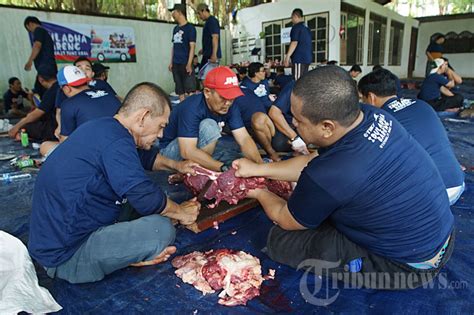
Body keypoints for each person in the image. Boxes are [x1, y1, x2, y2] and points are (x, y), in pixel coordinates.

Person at [233, 66, 454, 289]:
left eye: (298, 120)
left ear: (327, 127)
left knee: (280, 240)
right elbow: (311, 161)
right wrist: (257, 170)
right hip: (442, 235)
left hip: (407, 265)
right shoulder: (373, 116)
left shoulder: (331, 173)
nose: (292, 123)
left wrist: (258, 191)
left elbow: (284, 217)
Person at [28, 82, 201, 284]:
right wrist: (181, 212)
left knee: (157, 206)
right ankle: (128, 256)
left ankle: (127, 251)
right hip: (65, 256)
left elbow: (145, 158)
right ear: (143, 117)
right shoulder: (117, 141)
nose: (161, 134)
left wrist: (177, 166)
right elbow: (144, 197)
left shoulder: (103, 127)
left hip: (55, 237)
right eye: (161, 126)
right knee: (161, 229)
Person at [358, 69, 465, 205]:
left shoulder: (380, 119)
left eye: (363, 99)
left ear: (371, 98)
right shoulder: (421, 105)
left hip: (432, 197)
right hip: (457, 183)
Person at [159, 66, 263, 172]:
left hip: (197, 146)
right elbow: (187, 151)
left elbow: (244, 138)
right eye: (223, 97)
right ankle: (200, 172)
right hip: (169, 154)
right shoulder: (192, 107)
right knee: (209, 125)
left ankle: (202, 168)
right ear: (207, 92)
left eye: (231, 98)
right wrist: (222, 168)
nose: (228, 103)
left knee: (239, 158)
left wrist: (261, 167)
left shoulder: (230, 105)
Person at [40, 65, 122, 157]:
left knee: (45, 146)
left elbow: (66, 144)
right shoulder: (109, 94)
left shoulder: (69, 104)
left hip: (95, 155)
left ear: (67, 88)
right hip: (122, 146)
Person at [233, 85, 284, 162]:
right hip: (260, 129)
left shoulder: (237, 97)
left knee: (258, 119)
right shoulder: (246, 88)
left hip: (266, 131)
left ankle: (271, 153)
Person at [8, 65, 59, 142]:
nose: (19, 85)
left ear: (40, 79)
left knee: (26, 126)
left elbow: (37, 113)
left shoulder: (52, 91)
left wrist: (16, 127)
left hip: (57, 128)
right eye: (17, 84)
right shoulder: (61, 86)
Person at [268, 81, 309, 155]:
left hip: (309, 127)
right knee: (280, 144)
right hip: (289, 125)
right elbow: (274, 113)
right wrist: (295, 138)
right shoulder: (295, 87)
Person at [169, 4, 196, 101]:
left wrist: (189, 64)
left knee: (190, 90)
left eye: (174, 12)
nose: (173, 14)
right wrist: (171, 62)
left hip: (185, 63)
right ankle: (182, 110)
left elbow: (192, 47)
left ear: (179, 12)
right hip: (176, 63)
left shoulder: (190, 28)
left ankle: (192, 111)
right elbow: (174, 46)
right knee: (179, 89)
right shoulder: (175, 29)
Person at [23, 16, 57, 97]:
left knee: (46, 91)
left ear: (30, 24)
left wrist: (30, 61)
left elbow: (37, 45)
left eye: (28, 29)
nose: (30, 32)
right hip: (48, 66)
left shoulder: (38, 30)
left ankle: (47, 107)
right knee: (39, 89)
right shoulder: (45, 33)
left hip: (45, 67)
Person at [284, 8, 312, 80]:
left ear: (295, 16)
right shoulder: (306, 27)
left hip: (299, 58)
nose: (292, 20)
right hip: (307, 58)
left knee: (297, 81)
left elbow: (294, 42)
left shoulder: (296, 27)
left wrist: (287, 57)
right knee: (303, 81)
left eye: (292, 17)